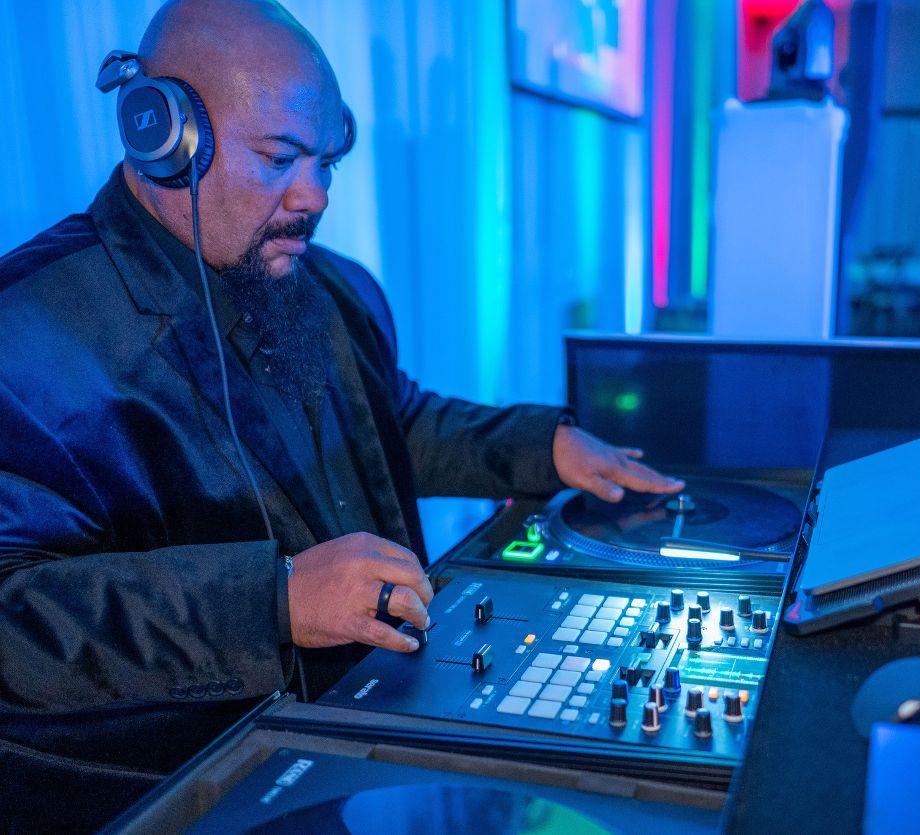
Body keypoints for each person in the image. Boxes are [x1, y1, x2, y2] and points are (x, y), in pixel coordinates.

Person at [0, 0, 681, 829]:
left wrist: (542, 446)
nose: (314, 194)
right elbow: (14, 619)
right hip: (175, 796)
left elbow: (391, 422)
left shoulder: (325, 284)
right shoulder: (24, 334)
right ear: (163, 135)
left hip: (352, 759)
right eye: (280, 158)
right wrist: (274, 599)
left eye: (326, 161)